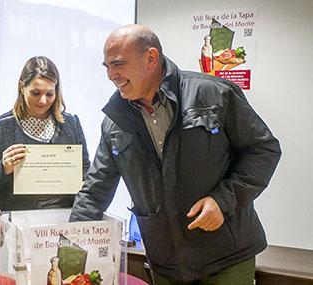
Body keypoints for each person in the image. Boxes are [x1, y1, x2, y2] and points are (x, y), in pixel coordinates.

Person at [70, 24, 281, 284]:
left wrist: (222, 201)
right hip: (166, 264)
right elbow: (95, 188)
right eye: (107, 67)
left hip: (226, 257)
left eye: (118, 64)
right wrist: (66, 243)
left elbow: (263, 149)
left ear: (150, 58)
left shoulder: (214, 94)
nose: (111, 75)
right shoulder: (115, 121)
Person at [0, 56, 90, 211]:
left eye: (49, 94)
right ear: (22, 86)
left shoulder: (71, 124)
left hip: (63, 222)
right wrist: (3, 168)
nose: (43, 101)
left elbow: (86, 172)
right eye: (35, 93)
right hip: (15, 224)